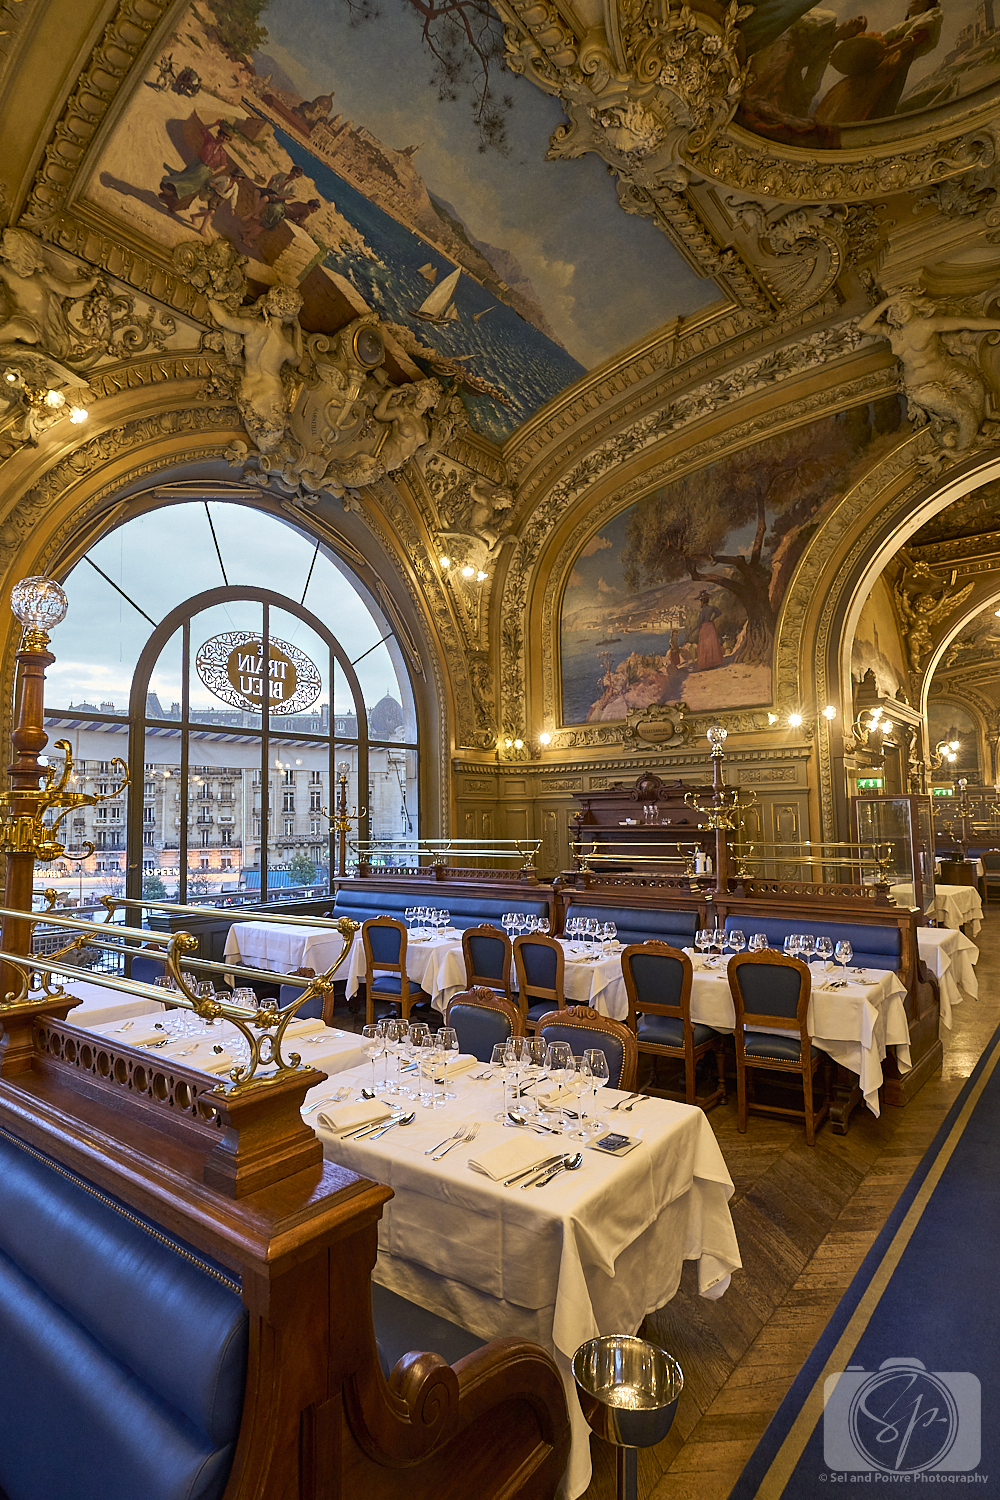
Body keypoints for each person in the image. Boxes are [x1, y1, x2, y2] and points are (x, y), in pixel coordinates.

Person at [858, 290, 1000, 451]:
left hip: (950, 374)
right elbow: (863, 326)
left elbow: (966, 322)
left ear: (915, 306)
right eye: (894, 309)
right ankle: (961, 453)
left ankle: (979, 436)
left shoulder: (928, 325)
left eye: (902, 306)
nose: (899, 312)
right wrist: (888, 301)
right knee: (967, 417)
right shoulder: (893, 332)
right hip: (922, 389)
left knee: (979, 397)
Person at [814, 0, 943, 123]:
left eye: (921, 0)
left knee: (873, 93)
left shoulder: (927, 20)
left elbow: (913, 39)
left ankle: (862, 120)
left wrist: (892, 49)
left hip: (893, 61)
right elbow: (869, 43)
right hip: (883, 58)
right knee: (850, 87)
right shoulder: (899, 28)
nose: (914, 0)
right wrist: (841, 54)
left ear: (927, 6)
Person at [694, 592, 725, 671]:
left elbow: (699, 621)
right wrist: (713, 619)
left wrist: (694, 629)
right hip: (710, 627)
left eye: (701, 601)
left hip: (704, 628)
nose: (700, 603)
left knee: (704, 645)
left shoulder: (703, 610)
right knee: (712, 644)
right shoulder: (712, 608)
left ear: (703, 601)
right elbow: (719, 613)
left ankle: (705, 665)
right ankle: (714, 663)